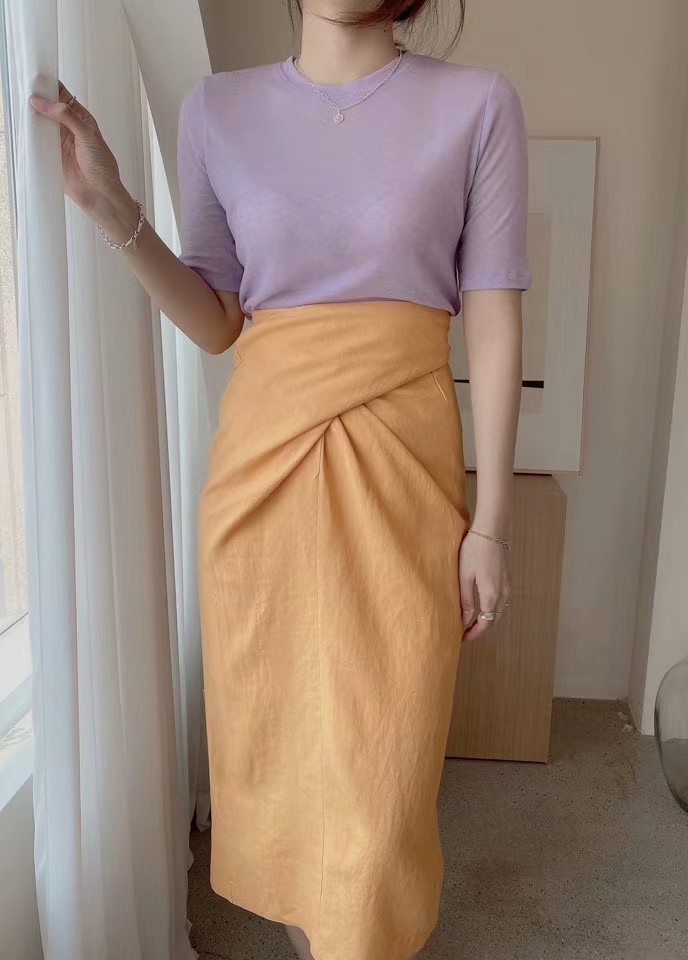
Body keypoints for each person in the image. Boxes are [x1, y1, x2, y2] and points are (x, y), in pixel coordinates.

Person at [30, 1, 531, 957]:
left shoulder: (477, 105)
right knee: (288, 768)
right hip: (261, 481)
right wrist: (111, 209)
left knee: (383, 773)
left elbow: (495, 319)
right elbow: (220, 321)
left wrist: (492, 522)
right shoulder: (216, 110)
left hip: (405, 472)